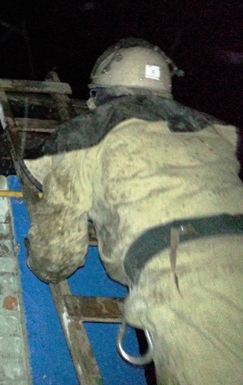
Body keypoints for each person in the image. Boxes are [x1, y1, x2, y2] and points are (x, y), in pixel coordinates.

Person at [23, 38, 243, 384]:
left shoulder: (85, 134)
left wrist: (41, 261)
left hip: (186, 281)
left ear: (102, 87)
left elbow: (56, 254)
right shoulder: (215, 133)